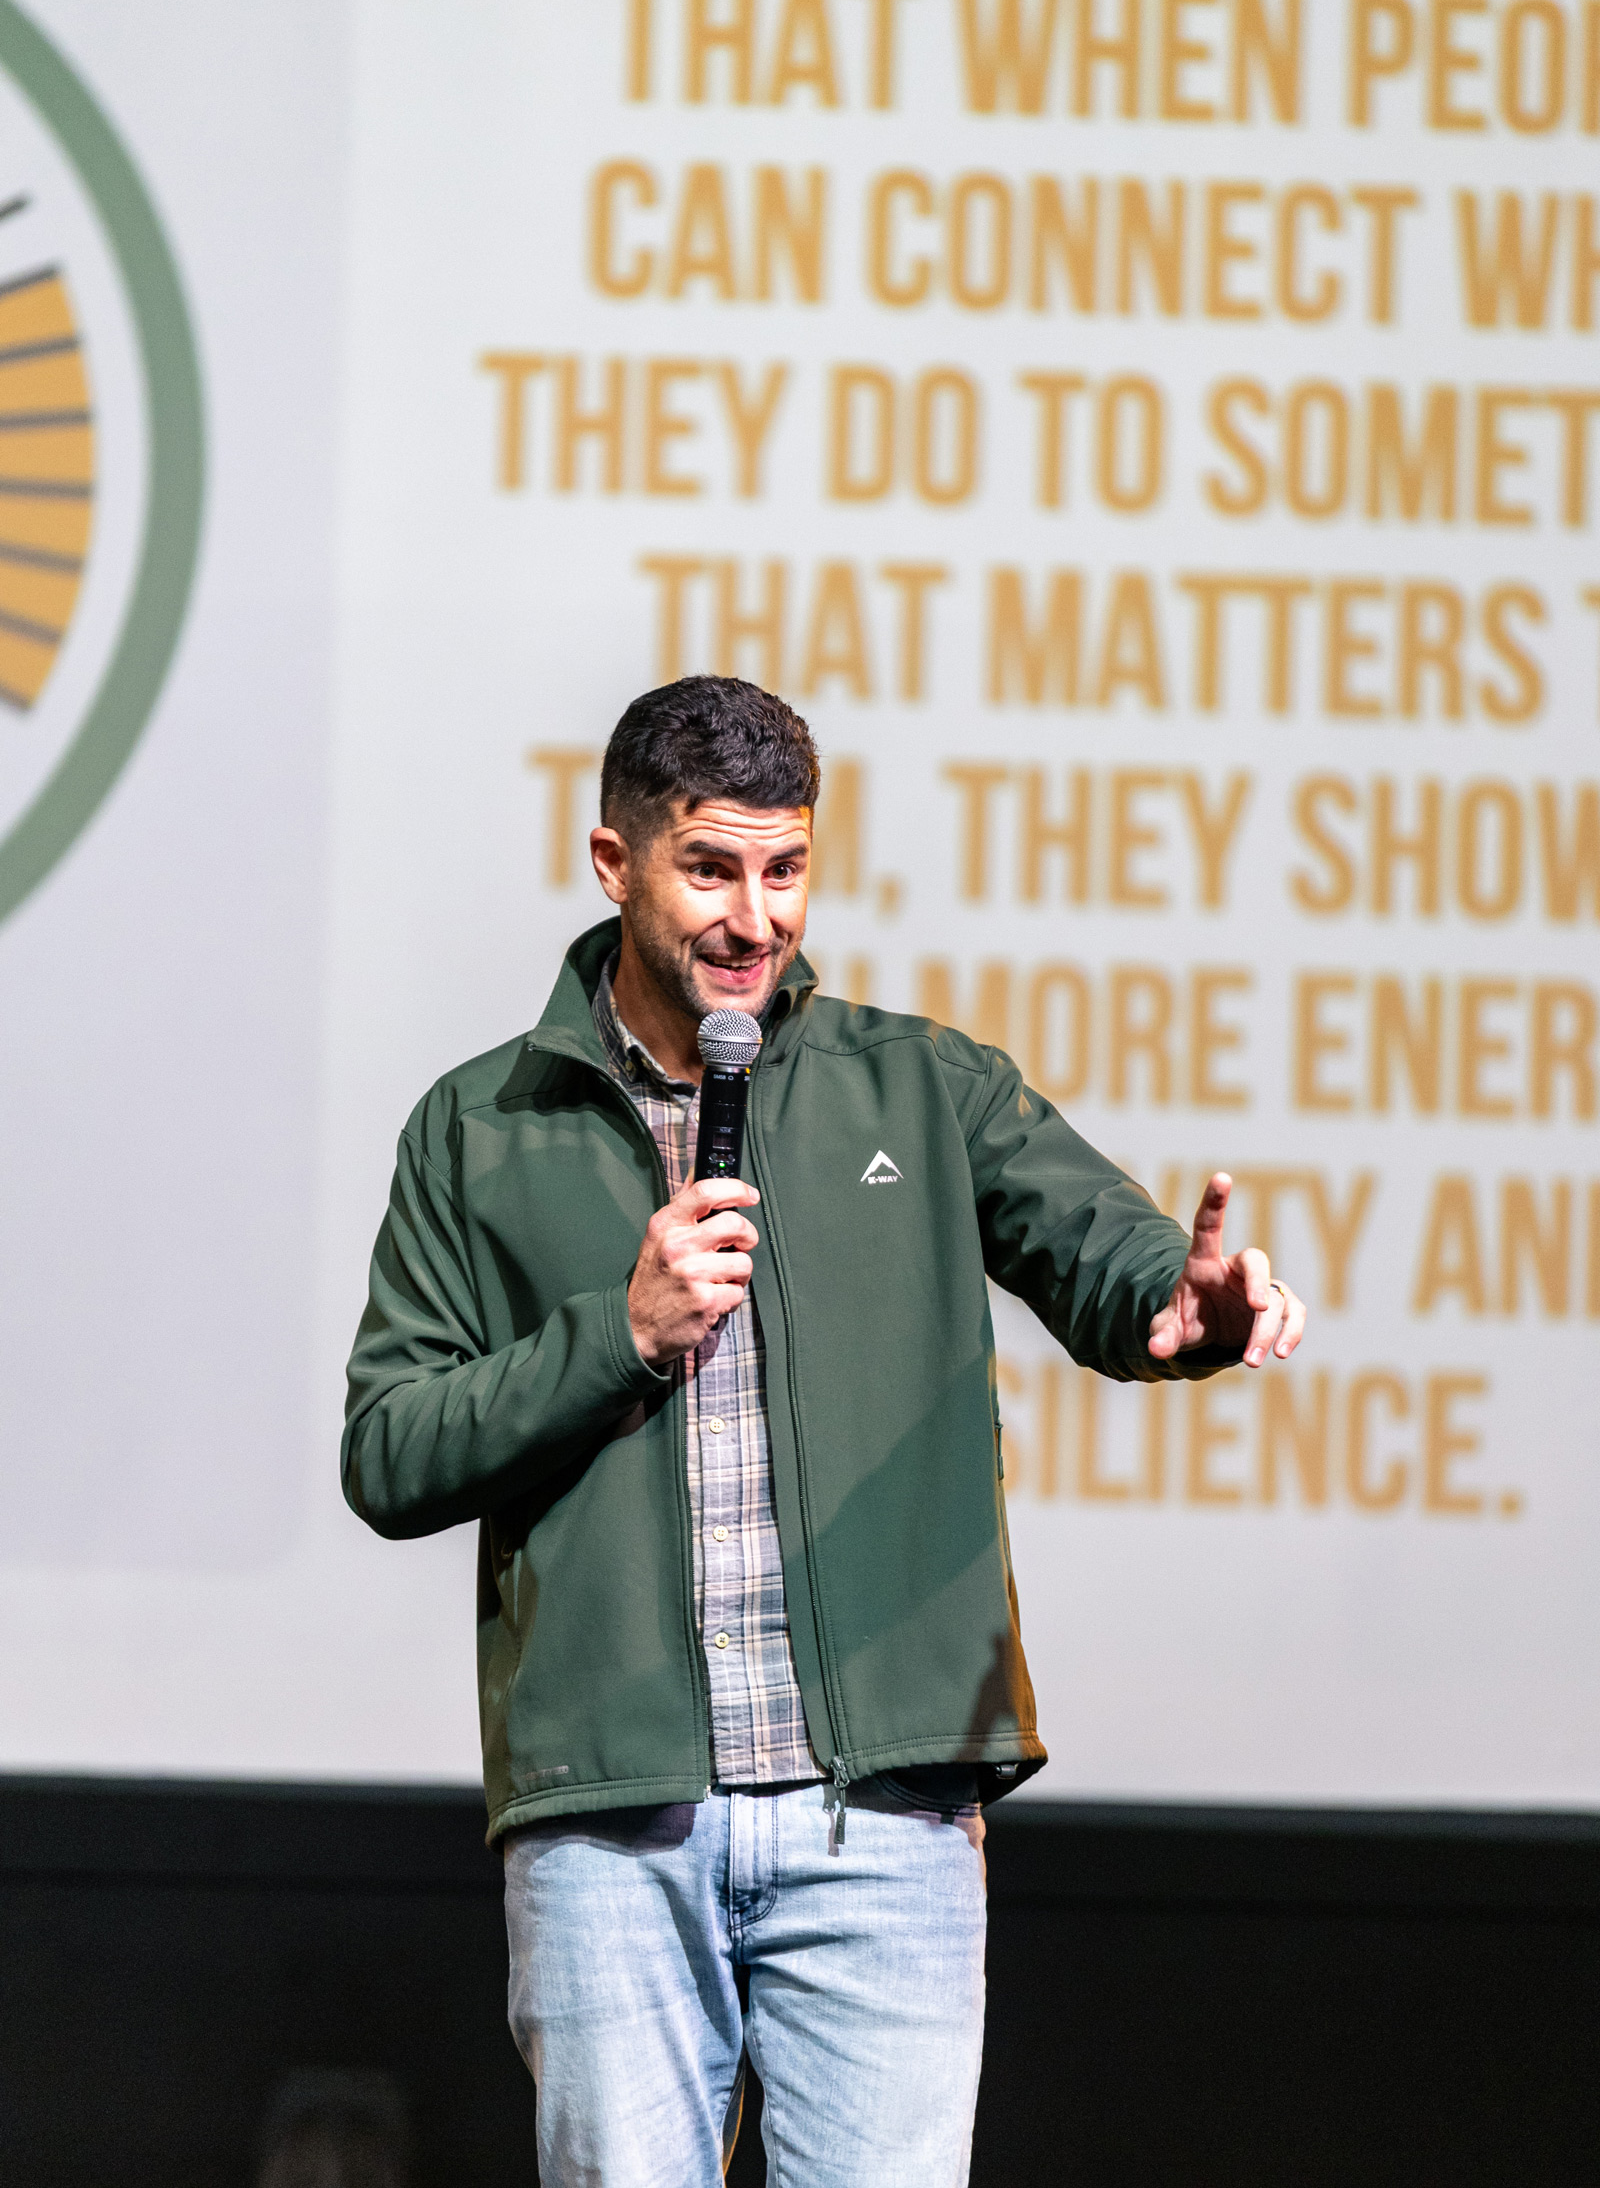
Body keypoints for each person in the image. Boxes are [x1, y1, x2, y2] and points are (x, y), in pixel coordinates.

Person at [342, 674, 1306, 2188]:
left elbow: (1112, 1258)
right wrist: (620, 1332)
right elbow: (389, 1450)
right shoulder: (480, 1129)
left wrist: (1184, 1313)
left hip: (884, 1826)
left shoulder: (920, 1087)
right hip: (613, 1830)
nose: (756, 917)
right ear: (614, 864)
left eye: (786, 868)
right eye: (711, 868)